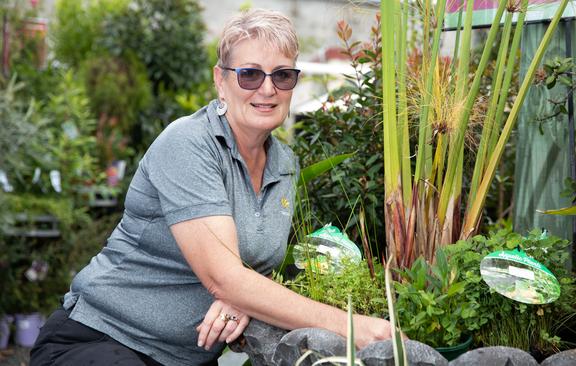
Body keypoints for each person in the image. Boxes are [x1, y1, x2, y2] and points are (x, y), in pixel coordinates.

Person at [30, 8, 391, 366]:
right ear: (221, 80)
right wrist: (351, 326)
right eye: (249, 74)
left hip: (187, 360)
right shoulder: (188, 143)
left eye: (282, 75)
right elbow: (224, 277)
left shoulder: (285, 164)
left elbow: (251, 268)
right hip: (103, 339)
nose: (268, 88)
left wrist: (241, 296)